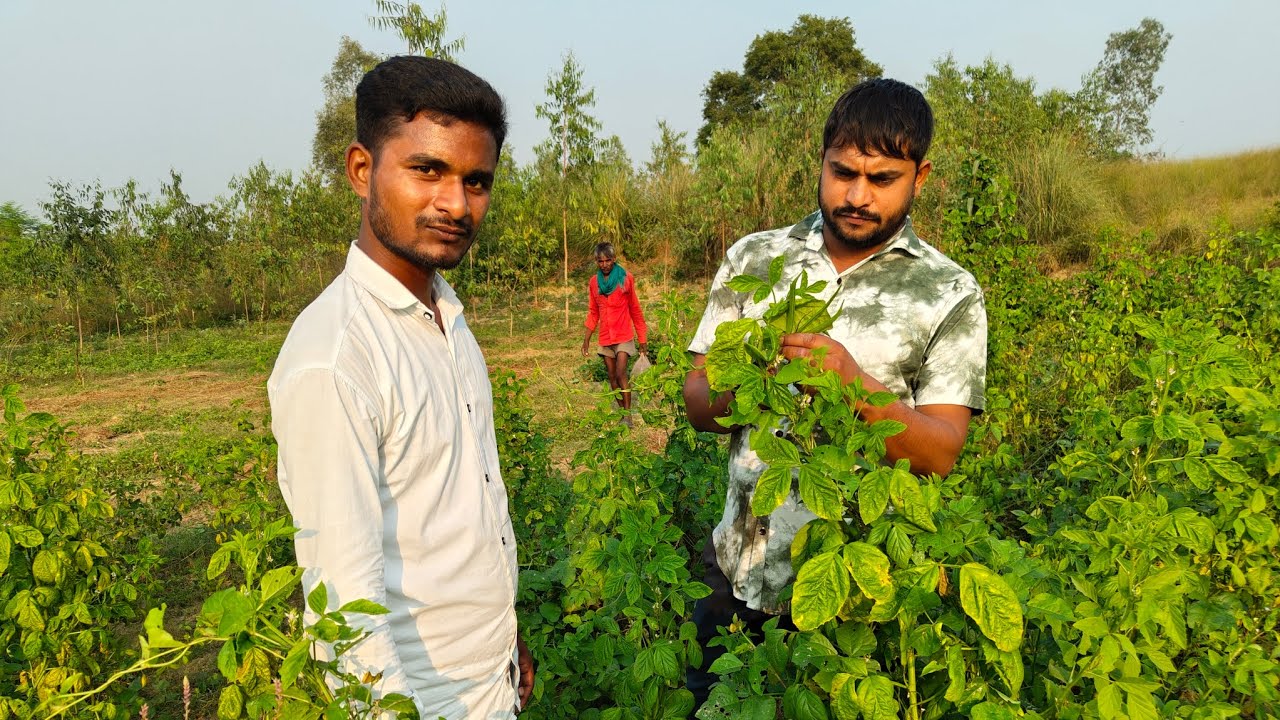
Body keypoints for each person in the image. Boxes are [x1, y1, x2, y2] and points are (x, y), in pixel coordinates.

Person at [681, 78, 987, 705]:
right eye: (842, 171)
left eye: (882, 180)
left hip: (857, 592)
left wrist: (853, 384)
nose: (856, 195)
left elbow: (940, 452)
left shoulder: (950, 292)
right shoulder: (754, 258)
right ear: (820, 161)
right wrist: (755, 375)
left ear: (920, 177)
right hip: (737, 566)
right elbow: (696, 405)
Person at [267, 56, 533, 719]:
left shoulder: (446, 316)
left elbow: (451, 519)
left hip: (488, 681)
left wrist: (504, 637)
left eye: (477, 181)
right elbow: (344, 616)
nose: (455, 203)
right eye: (427, 170)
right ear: (363, 170)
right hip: (421, 700)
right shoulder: (337, 357)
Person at [581, 242, 648, 418]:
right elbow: (593, 312)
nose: (604, 265)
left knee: (620, 373)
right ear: (596, 261)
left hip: (623, 335)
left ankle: (628, 417)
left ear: (614, 259)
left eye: (607, 260)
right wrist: (586, 339)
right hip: (605, 337)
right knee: (611, 377)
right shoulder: (594, 283)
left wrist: (642, 339)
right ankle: (622, 411)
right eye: (600, 261)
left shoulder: (625, 279)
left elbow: (635, 309)